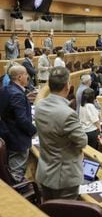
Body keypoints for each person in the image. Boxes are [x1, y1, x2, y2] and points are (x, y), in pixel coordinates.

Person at [35, 66, 87, 200]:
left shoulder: (39, 106)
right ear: (67, 87)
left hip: (44, 173)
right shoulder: (68, 114)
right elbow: (82, 141)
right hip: (64, 178)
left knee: (49, 214)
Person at [0, 65, 37, 183]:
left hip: (8, 134)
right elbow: (21, 120)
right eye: (26, 74)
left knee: (14, 170)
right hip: (18, 139)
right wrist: (34, 131)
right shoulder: (17, 94)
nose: (28, 77)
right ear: (20, 77)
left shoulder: (6, 89)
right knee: (16, 173)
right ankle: (17, 197)